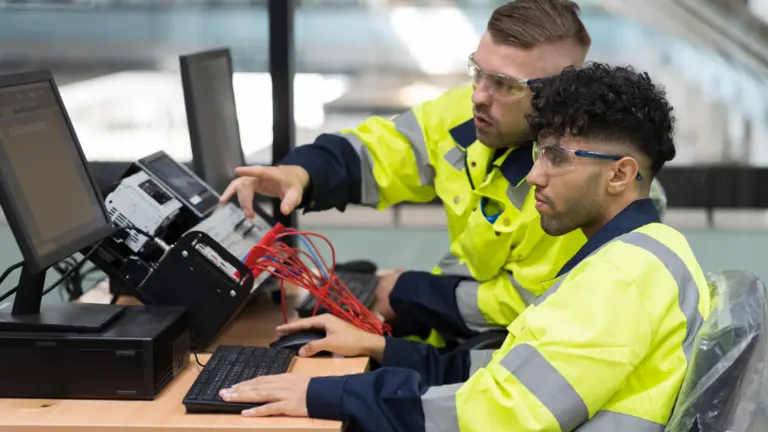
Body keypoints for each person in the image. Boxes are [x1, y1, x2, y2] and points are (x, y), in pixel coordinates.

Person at [217, 63, 710, 431]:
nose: (535, 174)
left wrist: (333, 394)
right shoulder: (643, 253)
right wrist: (386, 350)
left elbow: (496, 415)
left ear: (621, 174)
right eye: (540, 153)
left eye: (557, 157)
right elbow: (510, 378)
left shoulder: (618, 281)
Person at [222, 0, 602, 348]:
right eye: (478, 72)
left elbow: (523, 306)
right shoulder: (471, 117)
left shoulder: (575, 188)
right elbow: (386, 151)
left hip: (506, 361)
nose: (478, 96)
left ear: (557, 95)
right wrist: (301, 172)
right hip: (458, 333)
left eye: (503, 84)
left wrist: (408, 294)